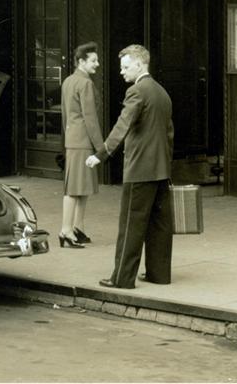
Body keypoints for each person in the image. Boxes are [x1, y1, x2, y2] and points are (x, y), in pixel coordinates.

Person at [86, 44, 174, 289]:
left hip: (139, 169)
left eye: (126, 67)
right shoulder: (161, 92)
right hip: (161, 169)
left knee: (130, 225)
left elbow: (122, 126)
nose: (122, 73)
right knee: (159, 225)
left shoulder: (137, 92)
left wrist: (100, 154)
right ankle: (159, 274)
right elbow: (169, 135)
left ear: (139, 64)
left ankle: (122, 278)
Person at [59, 41, 104, 248]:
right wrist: (101, 147)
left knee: (80, 187)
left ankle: (77, 227)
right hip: (83, 141)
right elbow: (91, 118)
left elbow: (65, 115)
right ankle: (66, 230)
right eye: (93, 60)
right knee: (75, 189)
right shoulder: (85, 84)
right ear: (81, 61)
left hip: (73, 139)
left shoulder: (68, 81)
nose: (97, 64)